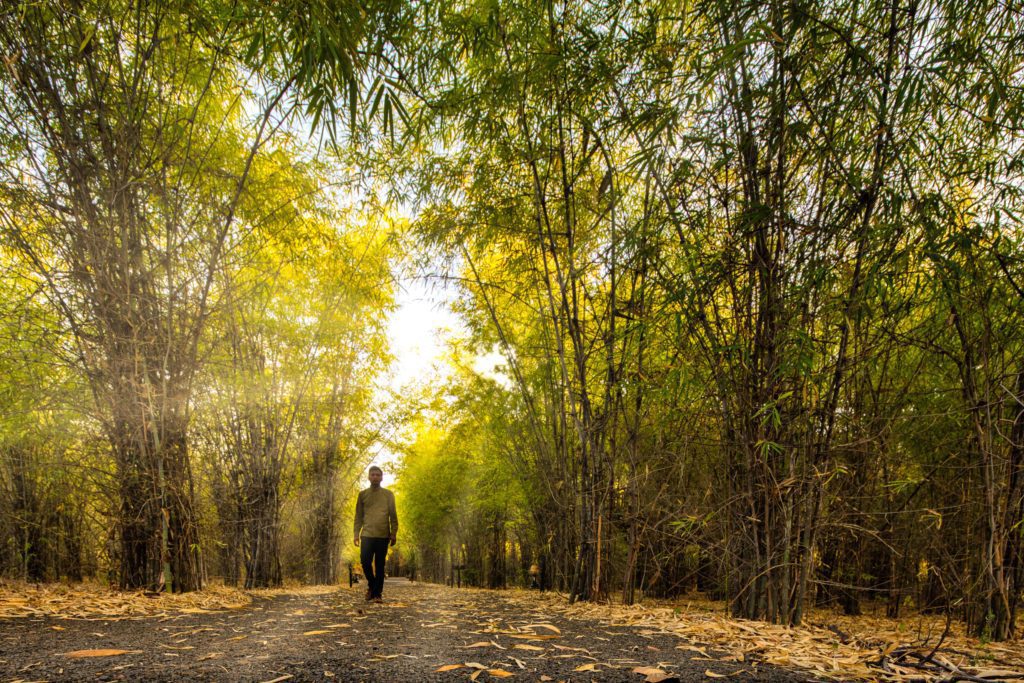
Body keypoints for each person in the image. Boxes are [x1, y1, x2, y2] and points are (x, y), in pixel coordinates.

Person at [353, 465, 398, 603]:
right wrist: (356, 534)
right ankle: (372, 586)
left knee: (379, 565)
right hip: (366, 535)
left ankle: (377, 594)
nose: (375, 477)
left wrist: (394, 533)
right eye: (372, 474)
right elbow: (358, 516)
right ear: (368, 477)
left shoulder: (388, 495)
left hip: (383, 535)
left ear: (382, 478)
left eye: (378, 475)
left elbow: (393, 516)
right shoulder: (363, 495)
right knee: (365, 562)